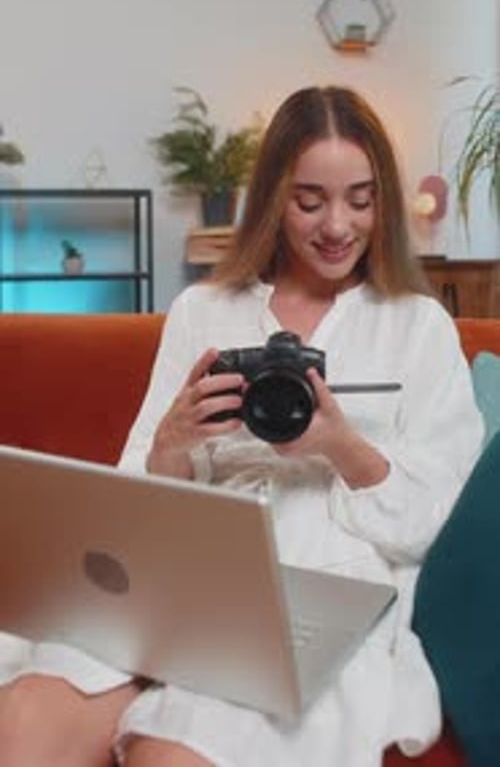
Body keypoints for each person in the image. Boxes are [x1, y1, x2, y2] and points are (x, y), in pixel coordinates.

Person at [0, 85, 484, 767]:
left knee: (172, 754)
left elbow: (439, 518)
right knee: (25, 719)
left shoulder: (416, 325)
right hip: (180, 576)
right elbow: (127, 504)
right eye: (309, 201)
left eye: (361, 199)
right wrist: (171, 446)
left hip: (315, 594)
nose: (337, 225)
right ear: (272, 200)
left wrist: (343, 448)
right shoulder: (204, 308)